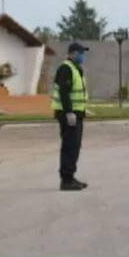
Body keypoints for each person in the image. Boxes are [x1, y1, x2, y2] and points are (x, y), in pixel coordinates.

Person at [52, 42, 90, 191]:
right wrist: (69, 112)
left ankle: (71, 177)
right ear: (72, 53)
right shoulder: (66, 68)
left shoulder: (76, 68)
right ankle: (66, 180)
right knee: (69, 146)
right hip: (68, 115)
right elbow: (64, 93)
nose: (83, 56)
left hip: (76, 114)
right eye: (81, 53)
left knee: (75, 147)